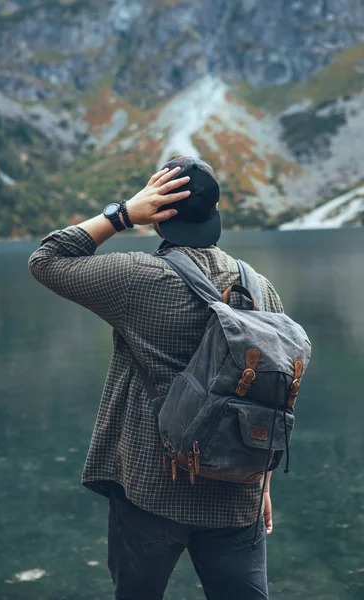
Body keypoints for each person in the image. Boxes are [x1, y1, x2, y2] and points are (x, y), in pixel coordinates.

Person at [28, 155, 283, 600]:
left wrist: (122, 213)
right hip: (237, 492)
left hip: (152, 492)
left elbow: (46, 258)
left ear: (159, 212)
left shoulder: (135, 277)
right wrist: (260, 479)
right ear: (214, 215)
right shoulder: (261, 289)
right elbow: (273, 394)